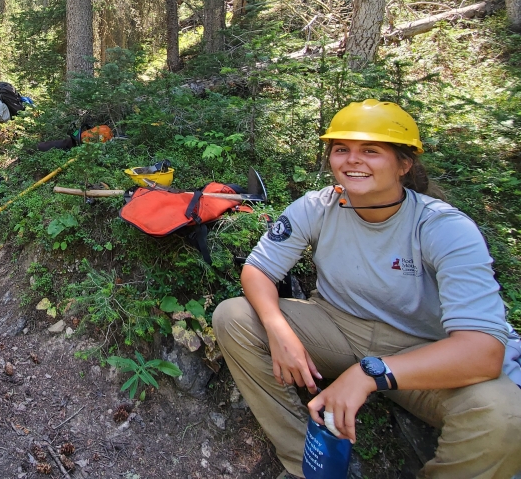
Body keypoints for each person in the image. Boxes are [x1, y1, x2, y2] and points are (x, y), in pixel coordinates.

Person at [213, 99, 521, 479]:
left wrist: (368, 373)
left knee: (504, 416)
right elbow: (258, 269)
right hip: (338, 328)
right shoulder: (318, 206)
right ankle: (308, 464)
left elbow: (483, 352)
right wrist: (279, 331)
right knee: (234, 316)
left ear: (404, 164)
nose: (352, 161)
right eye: (342, 149)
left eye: (371, 151)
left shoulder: (443, 228)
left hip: (425, 350)